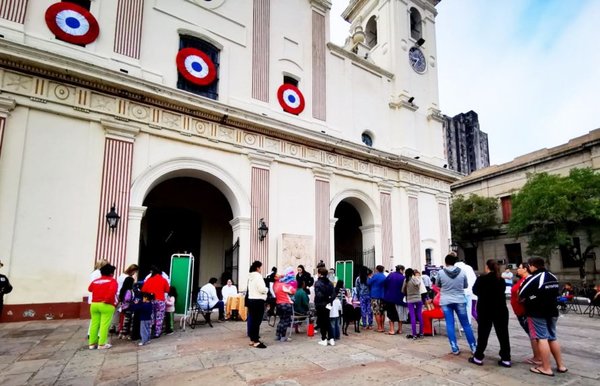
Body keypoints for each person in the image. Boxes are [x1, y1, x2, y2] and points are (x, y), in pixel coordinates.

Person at [519, 257, 567, 377]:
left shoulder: (534, 278)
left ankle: (546, 367)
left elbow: (521, 294)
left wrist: (532, 298)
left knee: (542, 338)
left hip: (537, 312)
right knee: (552, 337)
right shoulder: (553, 276)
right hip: (552, 311)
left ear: (532, 266)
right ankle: (561, 365)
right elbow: (556, 293)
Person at [469, 259, 511, 367]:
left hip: (485, 309)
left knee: (483, 334)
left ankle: (478, 357)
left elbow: (475, 291)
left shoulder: (482, 279)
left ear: (487, 267)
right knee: (503, 334)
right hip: (500, 309)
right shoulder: (500, 279)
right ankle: (506, 358)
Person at [436, 254, 477, 355]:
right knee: (466, 324)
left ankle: (454, 347)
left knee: (450, 324)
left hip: (446, 300)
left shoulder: (441, 272)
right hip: (459, 299)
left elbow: (437, 284)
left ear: (446, 262)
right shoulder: (462, 272)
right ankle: (473, 346)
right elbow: (465, 285)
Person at [510, 262, 541, 365]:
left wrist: (523, 300)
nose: (517, 270)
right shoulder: (522, 280)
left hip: (525, 312)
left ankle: (538, 357)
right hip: (520, 312)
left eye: (519, 268)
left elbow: (531, 295)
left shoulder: (528, 280)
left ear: (525, 269)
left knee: (533, 335)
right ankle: (537, 355)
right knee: (531, 334)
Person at [88, 264, 118, 350]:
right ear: (111, 273)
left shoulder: (95, 281)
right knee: (104, 324)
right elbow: (113, 292)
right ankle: (102, 344)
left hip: (94, 305)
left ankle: (92, 343)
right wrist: (107, 300)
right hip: (106, 304)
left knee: (94, 324)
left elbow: (90, 289)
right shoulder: (112, 281)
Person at [141, 266, 170, 338]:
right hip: (160, 300)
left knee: (151, 316)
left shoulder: (149, 280)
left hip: (150, 300)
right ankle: (157, 332)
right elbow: (167, 290)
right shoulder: (163, 280)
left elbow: (143, 290)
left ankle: (150, 331)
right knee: (159, 316)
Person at [247, 260, 268, 348]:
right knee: (257, 321)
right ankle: (256, 341)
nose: (261, 270)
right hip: (258, 301)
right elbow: (261, 289)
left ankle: (252, 339)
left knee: (252, 320)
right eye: (260, 268)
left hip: (251, 300)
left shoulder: (250, 277)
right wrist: (267, 289)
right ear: (257, 268)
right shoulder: (258, 276)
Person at [383, 265, 407, 335]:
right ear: (401, 270)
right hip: (400, 298)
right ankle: (400, 330)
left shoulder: (390, 275)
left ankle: (392, 330)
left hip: (389, 298)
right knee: (400, 314)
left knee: (390, 314)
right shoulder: (403, 278)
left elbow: (385, 284)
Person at [314, 266, 335, 346]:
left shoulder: (317, 283)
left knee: (322, 322)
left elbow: (318, 294)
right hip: (328, 304)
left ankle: (324, 339)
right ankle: (331, 338)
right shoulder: (330, 283)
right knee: (327, 321)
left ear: (319, 274)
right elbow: (333, 294)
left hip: (321, 304)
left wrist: (324, 299)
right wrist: (329, 300)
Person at [273, 271, 296, 342]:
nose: (280, 275)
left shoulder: (274, 285)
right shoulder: (282, 285)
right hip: (286, 304)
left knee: (281, 320)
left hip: (278, 304)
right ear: (276, 278)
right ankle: (283, 336)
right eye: (277, 275)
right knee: (285, 321)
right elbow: (293, 291)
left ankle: (278, 335)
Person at [402, 268, 424, 339]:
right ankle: (421, 333)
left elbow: (402, 290)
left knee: (412, 316)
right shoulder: (417, 279)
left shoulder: (406, 280)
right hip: (418, 298)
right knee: (420, 316)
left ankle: (414, 334)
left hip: (410, 299)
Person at [455, 259, 478, 325]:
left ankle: (464, 324)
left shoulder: (456, 268)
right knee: (471, 309)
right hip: (471, 292)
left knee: (462, 310)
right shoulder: (469, 268)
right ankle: (468, 323)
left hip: (460, 292)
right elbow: (474, 279)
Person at [367, 265, 387, 332]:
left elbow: (368, 283)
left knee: (376, 312)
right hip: (383, 295)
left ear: (377, 269)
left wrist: (369, 277)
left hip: (375, 295)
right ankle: (383, 327)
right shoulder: (384, 276)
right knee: (382, 312)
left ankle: (379, 327)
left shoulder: (375, 276)